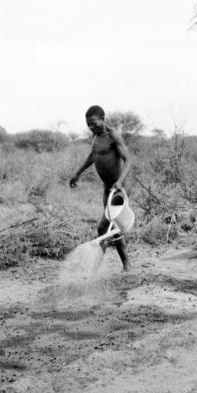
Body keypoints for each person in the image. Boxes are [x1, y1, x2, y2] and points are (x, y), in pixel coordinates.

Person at [69, 105, 132, 271]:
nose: (91, 127)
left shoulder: (113, 136)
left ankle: (96, 266)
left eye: (94, 123)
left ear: (103, 119)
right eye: (88, 125)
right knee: (114, 228)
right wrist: (78, 173)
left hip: (117, 191)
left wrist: (119, 182)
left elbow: (128, 161)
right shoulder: (95, 136)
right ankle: (126, 265)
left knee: (103, 227)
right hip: (107, 189)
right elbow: (93, 155)